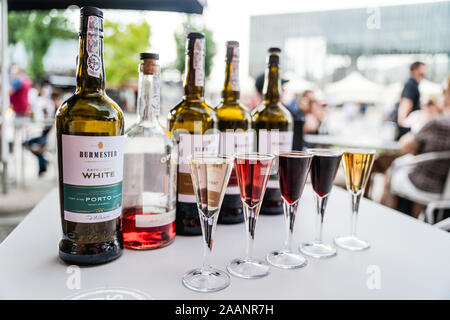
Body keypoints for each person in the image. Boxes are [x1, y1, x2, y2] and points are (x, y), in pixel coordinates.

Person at [381, 97, 450, 218]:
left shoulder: (437, 122)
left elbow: (405, 144)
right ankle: (414, 218)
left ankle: (385, 217)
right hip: (443, 188)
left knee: (391, 173)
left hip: (422, 185)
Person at [23, 91, 62, 176]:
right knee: (26, 143)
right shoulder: (53, 109)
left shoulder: (60, 112)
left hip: (50, 138)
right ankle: (43, 162)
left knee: (34, 145)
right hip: (44, 135)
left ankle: (42, 165)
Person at [396, 61, 426, 138]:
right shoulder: (411, 85)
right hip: (407, 132)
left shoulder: (413, 85)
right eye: (423, 68)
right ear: (415, 70)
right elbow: (404, 107)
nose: (425, 71)